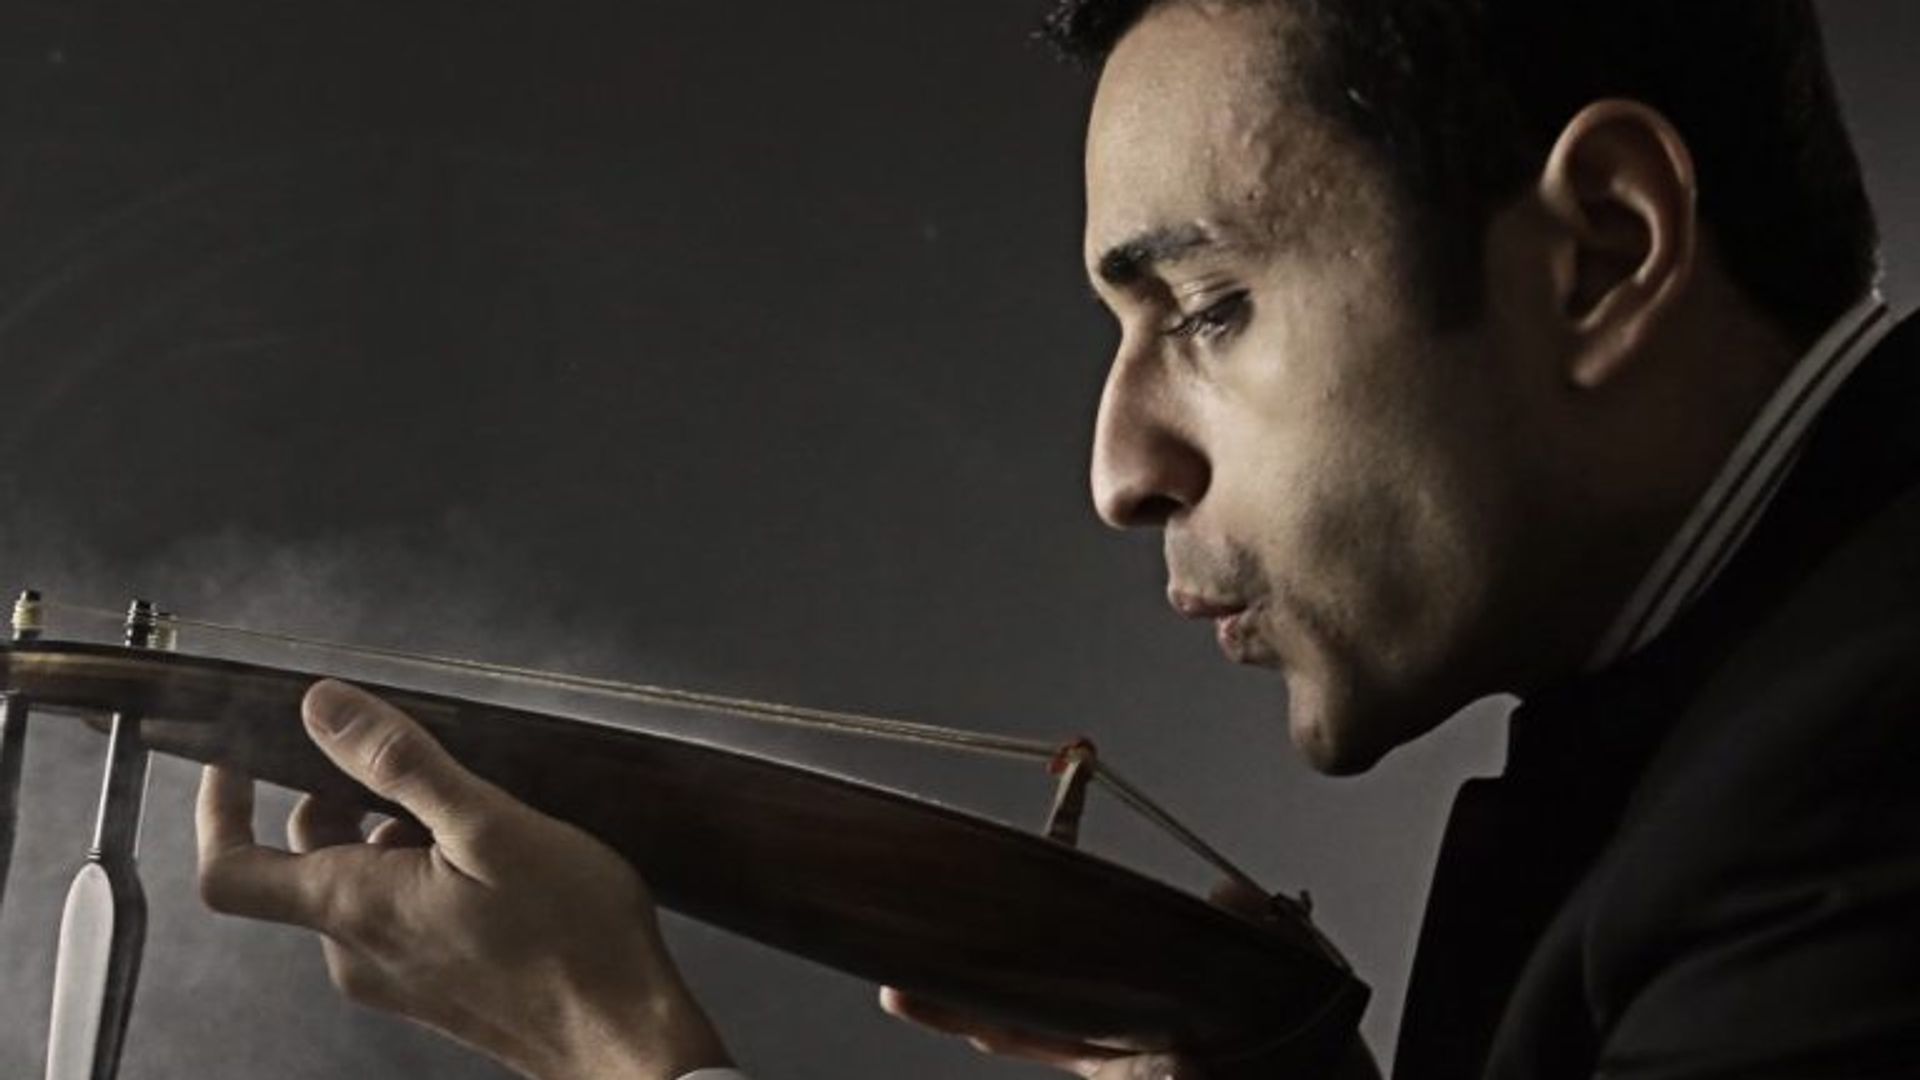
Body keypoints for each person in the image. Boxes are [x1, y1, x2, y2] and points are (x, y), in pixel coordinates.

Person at [194, 0, 1920, 1077]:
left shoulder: (1870, 769)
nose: (1119, 470)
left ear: (1603, 252)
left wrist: (614, 1051)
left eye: (1213, 308)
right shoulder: (1765, 677)